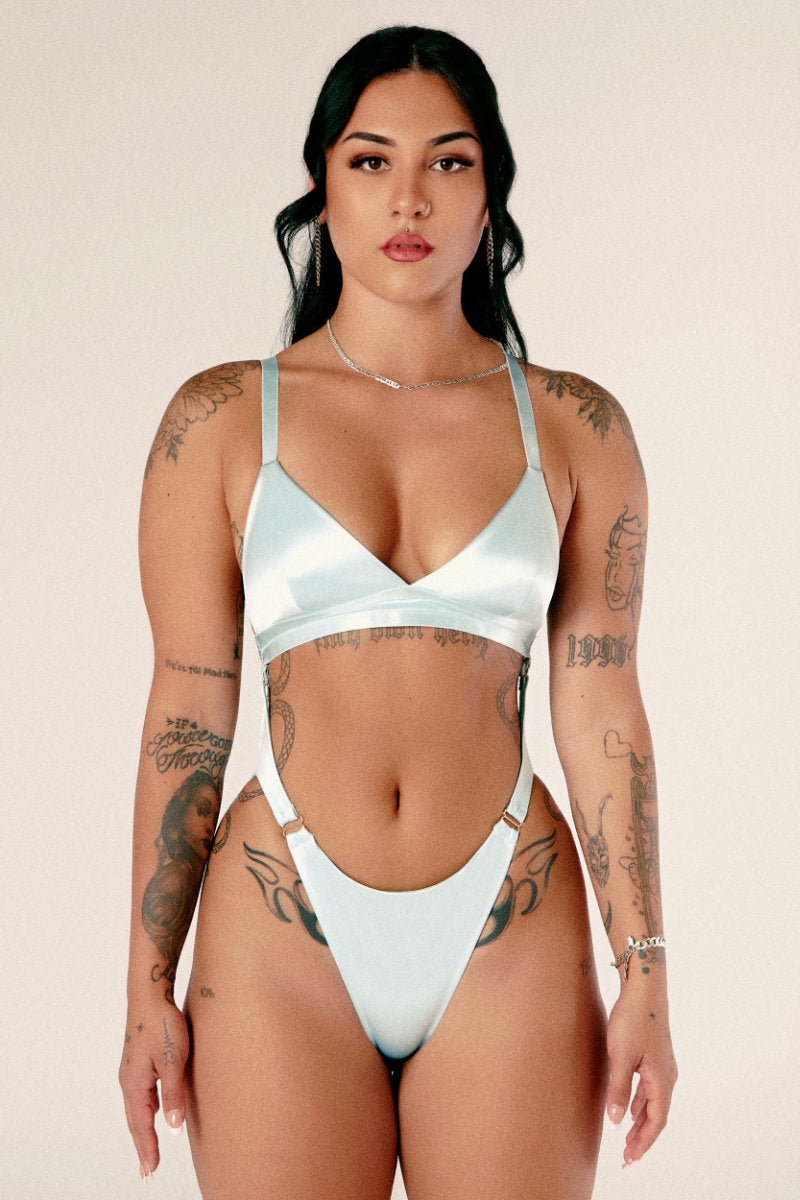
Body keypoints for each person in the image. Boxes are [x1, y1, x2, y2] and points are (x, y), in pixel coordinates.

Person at [119, 25, 676, 1198]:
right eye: (370, 160)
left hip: (509, 916)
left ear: (490, 191)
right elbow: (189, 706)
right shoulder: (219, 421)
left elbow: (599, 707)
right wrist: (144, 987)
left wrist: (644, 971)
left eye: (448, 162)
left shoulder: (574, 426)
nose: (408, 197)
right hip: (279, 925)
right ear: (321, 183)